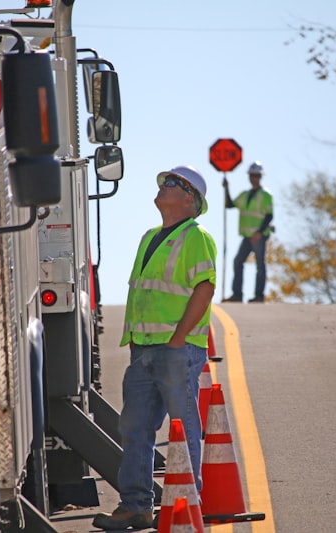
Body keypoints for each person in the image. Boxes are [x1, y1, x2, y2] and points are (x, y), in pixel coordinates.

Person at [93, 165, 217, 530]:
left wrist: (178, 338)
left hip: (176, 350)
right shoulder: (150, 236)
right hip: (144, 351)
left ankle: (186, 504)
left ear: (189, 198)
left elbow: (204, 288)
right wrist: (135, 339)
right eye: (164, 181)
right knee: (135, 430)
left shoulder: (196, 236)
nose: (163, 186)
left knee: (182, 428)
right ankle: (136, 506)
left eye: (172, 183)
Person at [222, 161, 274, 303]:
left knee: (260, 265)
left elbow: (269, 215)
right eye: (252, 175)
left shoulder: (266, 195)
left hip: (259, 236)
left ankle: (259, 296)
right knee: (238, 261)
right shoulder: (245, 195)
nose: (254, 178)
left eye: (256, 175)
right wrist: (227, 189)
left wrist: (259, 232)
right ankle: (237, 294)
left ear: (260, 177)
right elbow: (230, 205)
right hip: (246, 236)